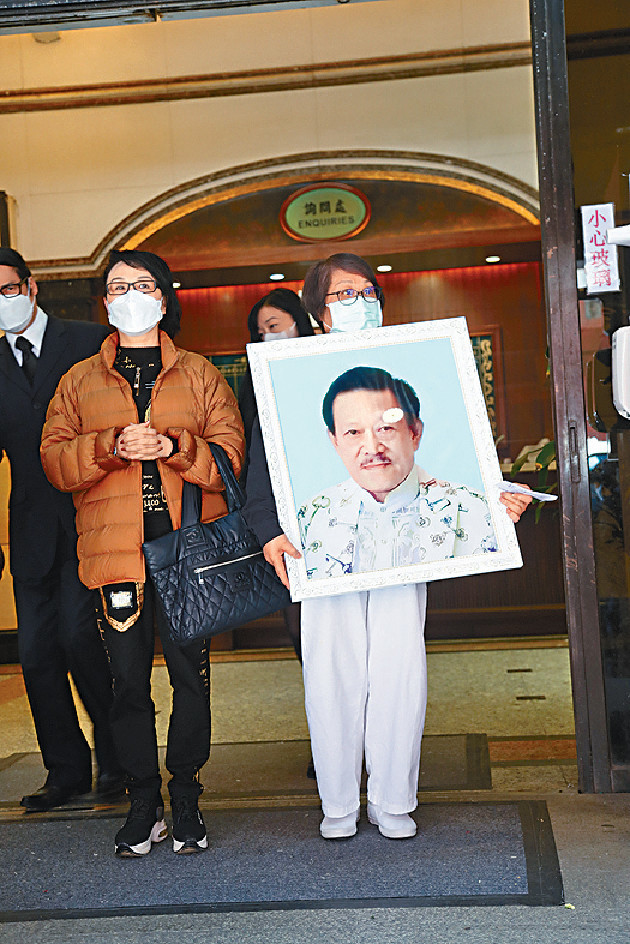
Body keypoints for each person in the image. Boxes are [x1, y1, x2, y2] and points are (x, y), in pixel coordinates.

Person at [244, 252, 531, 841]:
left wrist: (499, 503)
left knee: (400, 672)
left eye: (367, 292)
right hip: (318, 548)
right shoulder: (283, 372)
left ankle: (395, 801)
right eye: (342, 296)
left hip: (409, 541)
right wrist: (271, 530)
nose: (359, 303)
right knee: (330, 674)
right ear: (317, 311)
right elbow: (261, 469)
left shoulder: (415, 360)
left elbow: (461, 462)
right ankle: (339, 806)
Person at [41, 249, 244, 857]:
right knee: (126, 683)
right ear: (105, 301)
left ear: (164, 296)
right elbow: (55, 460)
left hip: (187, 555)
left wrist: (176, 446)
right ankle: (142, 801)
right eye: (118, 285)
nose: (130, 294)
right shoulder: (79, 380)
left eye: (143, 284)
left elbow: (231, 459)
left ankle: (185, 795)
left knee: (192, 678)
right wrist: (109, 446)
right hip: (115, 556)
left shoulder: (201, 374)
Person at [0, 247, 123, 813]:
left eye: (6, 291)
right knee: (36, 654)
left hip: (88, 518)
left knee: (81, 638)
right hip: (28, 529)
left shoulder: (88, 341)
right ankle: (64, 770)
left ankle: (119, 759)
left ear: (31, 287)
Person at [299, 365, 497, 579]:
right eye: (354, 432)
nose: (373, 448)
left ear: (415, 433)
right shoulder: (308, 519)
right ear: (335, 441)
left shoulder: (480, 511)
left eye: (385, 429)